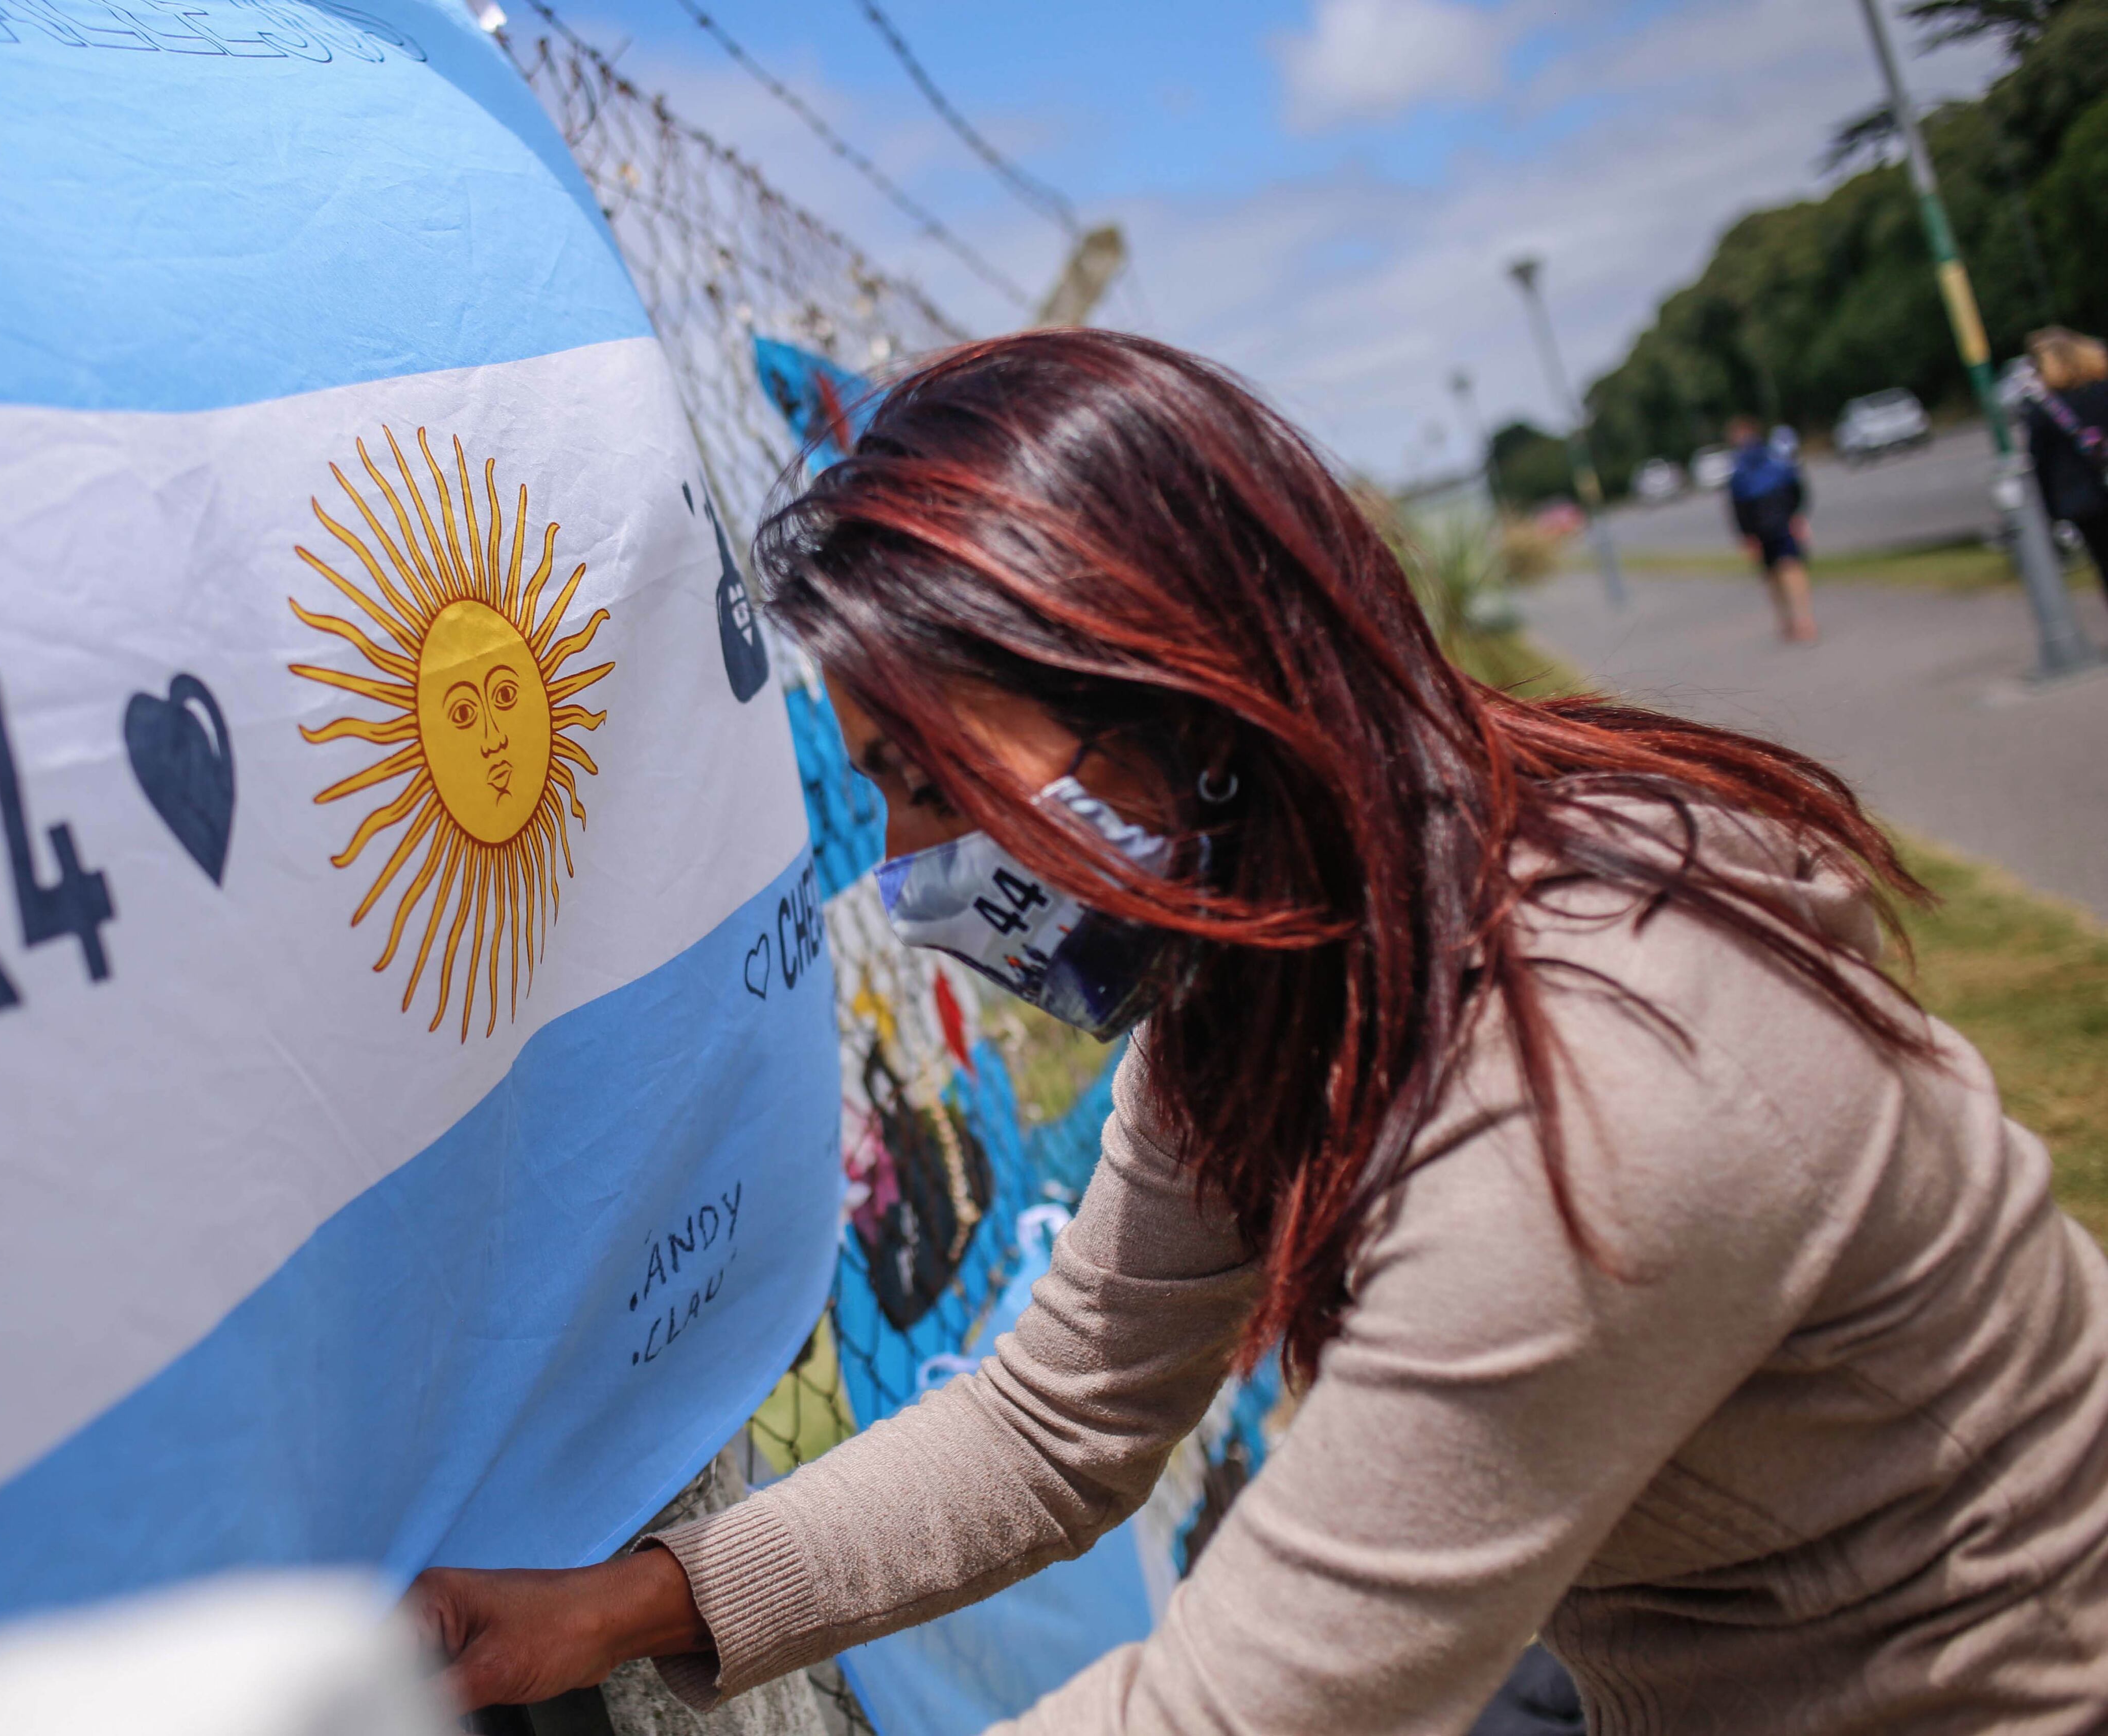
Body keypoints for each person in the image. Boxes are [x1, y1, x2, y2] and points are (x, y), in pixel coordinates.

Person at [414, 331, 2108, 1734]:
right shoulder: (1292, 963)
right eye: (884, 790)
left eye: (938, 780)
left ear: (1181, 688)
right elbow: (1054, 1419)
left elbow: (1253, 1711)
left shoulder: (1598, 1087)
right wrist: (630, 1602)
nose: (916, 866)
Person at [2024, 326, 2108, 586]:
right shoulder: (2103, 391)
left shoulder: (2045, 411)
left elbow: (2042, 466)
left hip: (2086, 502)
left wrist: (2052, 515)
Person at [1725, 413, 1816, 642]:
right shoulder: (1773, 461)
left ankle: (1798, 621)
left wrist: (1747, 535)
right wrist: (1796, 516)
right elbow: (1796, 488)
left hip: (1772, 526)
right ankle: (1796, 620)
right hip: (1773, 526)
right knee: (1783, 574)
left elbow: (1739, 507)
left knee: (1786, 572)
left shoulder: (1741, 473)